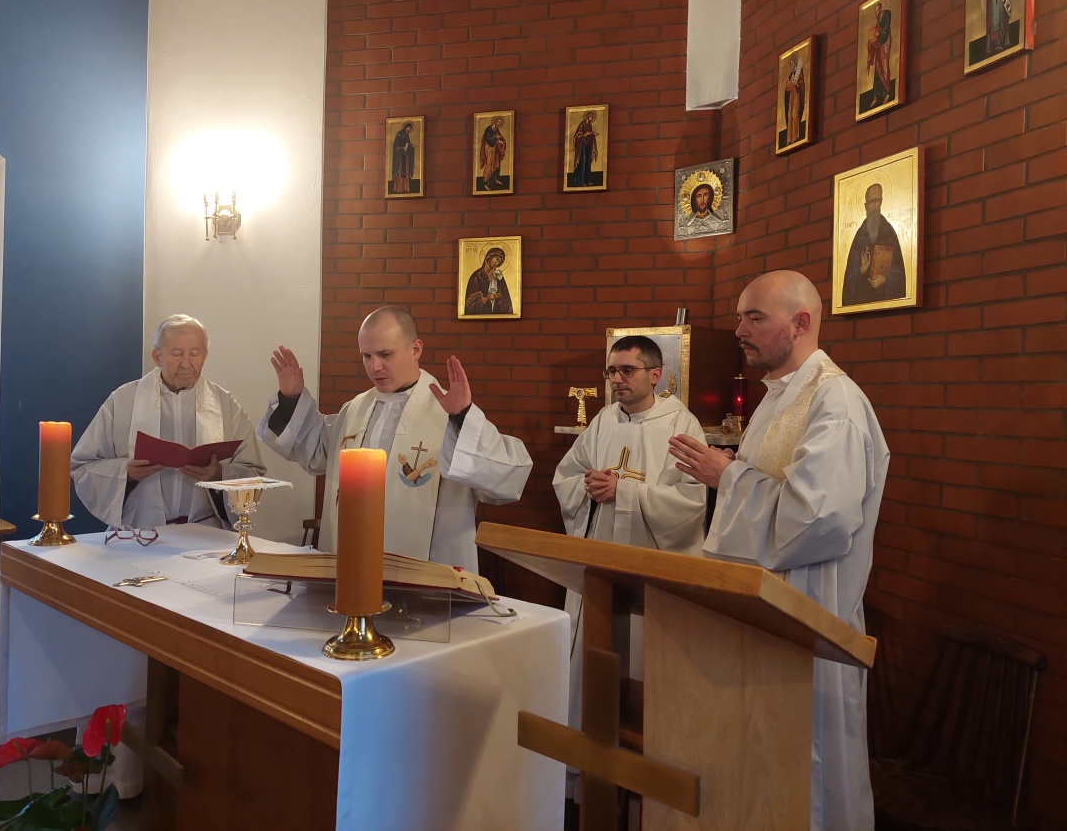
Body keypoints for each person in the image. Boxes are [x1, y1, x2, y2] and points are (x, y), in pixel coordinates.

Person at [667, 270, 889, 831]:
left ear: (801, 322)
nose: (739, 330)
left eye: (754, 318)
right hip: (765, 614)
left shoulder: (835, 402)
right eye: (740, 317)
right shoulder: (779, 396)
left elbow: (817, 519)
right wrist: (730, 474)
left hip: (809, 613)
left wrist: (727, 477)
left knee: (805, 771)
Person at [258, 306, 531, 572]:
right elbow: (317, 453)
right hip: (353, 567)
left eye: (385, 354)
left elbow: (508, 480)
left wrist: (462, 419)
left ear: (416, 349)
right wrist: (290, 399)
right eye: (366, 356)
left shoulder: (448, 413)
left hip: (427, 579)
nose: (374, 366)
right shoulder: (355, 409)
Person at [553, 335, 706, 728]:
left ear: (655, 375)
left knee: (644, 660)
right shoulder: (604, 420)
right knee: (595, 651)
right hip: (600, 560)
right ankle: (586, 746)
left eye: (627, 370)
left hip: (650, 569)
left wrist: (624, 491)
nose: (616, 379)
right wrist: (587, 485)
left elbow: (691, 500)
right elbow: (567, 476)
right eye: (611, 371)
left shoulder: (681, 424)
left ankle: (647, 749)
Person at [71, 314, 269, 531]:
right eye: (177, 354)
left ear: (205, 355)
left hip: (206, 532)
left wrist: (219, 474)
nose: (186, 363)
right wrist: (125, 472)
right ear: (157, 357)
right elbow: (83, 466)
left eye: (195, 354)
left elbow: (253, 472)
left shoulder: (225, 404)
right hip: (141, 531)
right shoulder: (123, 400)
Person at [841, 182, 906, 306]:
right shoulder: (860, 236)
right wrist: (861, 270)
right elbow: (848, 281)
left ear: (881, 202)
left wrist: (885, 279)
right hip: (861, 303)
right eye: (871, 202)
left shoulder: (889, 232)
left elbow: (900, 273)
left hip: (886, 302)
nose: (875, 207)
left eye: (877, 201)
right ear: (866, 206)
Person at [463, 246, 514, 315]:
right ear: (488, 257)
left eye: (500, 262)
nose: (497, 263)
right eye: (497, 259)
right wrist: (487, 298)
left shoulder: (498, 277)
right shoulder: (477, 277)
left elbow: (506, 300)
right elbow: (469, 307)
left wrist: (498, 296)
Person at [866, 1, 892, 109]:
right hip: (878, 45)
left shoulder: (886, 14)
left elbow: (886, 30)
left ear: (880, 9)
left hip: (884, 43)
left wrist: (880, 34)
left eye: (877, 11)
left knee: (884, 65)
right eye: (875, 12)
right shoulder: (877, 21)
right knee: (877, 68)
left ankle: (887, 93)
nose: (876, 13)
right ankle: (876, 96)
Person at [478, 115, 507, 191]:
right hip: (489, 149)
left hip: (495, 149)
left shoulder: (496, 129)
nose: (499, 124)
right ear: (495, 121)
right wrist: (497, 140)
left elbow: (500, 138)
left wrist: (502, 142)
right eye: (498, 122)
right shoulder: (488, 129)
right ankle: (485, 183)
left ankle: (494, 180)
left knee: (496, 164)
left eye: (500, 123)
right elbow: (489, 140)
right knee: (489, 164)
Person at [569, 112, 598, 187]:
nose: (592, 119)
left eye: (592, 117)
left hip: (588, 145)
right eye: (591, 117)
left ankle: (587, 180)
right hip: (582, 146)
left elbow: (589, 134)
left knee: (588, 162)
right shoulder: (582, 124)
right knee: (583, 162)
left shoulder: (590, 125)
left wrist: (592, 134)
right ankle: (581, 181)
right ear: (587, 117)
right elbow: (577, 136)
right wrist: (585, 135)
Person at [785, 52, 806, 143]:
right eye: (791, 64)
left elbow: (801, 83)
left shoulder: (799, 71)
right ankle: (789, 138)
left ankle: (795, 136)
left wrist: (797, 84)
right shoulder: (790, 75)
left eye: (793, 63)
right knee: (790, 116)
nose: (792, 65)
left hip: (797, 95)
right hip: (791, 97)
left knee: (795, 115)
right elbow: (787, 88)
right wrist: (789, 84)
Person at [391, 122, 415, 194]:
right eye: (408, 128)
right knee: (400, 170)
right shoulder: (399, 134)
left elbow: (407, 144)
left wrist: (410, 146)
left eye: (409, 129)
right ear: (405, 127)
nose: (408, 130)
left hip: (405, 155)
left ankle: (405, 187)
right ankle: (399, 188)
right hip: (400, 157)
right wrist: (402, 148)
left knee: (406, 171)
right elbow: (396, 145)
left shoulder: (407, 135)